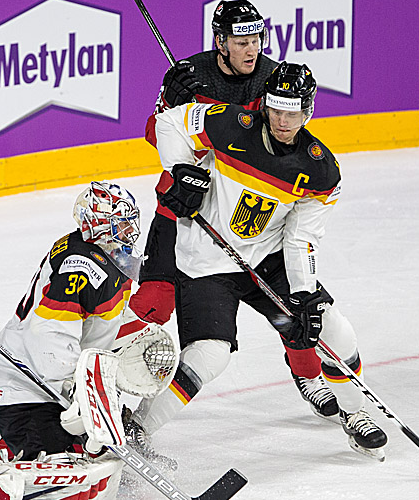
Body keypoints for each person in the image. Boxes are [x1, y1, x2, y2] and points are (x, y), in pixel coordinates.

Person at [125, 62, 389, 462]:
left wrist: (303, 293)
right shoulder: (230, 124)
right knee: (210, 354)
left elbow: (301, 237)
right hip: (205, 260)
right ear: (265, 105)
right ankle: (137, 427)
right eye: (277, 110)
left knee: (333, 327)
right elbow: (172, 123)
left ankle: (355, 412)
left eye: (294, 113)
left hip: (267, 259)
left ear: (309, 111)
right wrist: (182, 171)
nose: (284, 121)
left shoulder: (319, 169)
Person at [135, 0, 340, 423]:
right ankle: (113, 375)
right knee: (154, 301)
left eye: (256, 39)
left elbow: (276, 143)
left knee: (292, 305)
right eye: (241, 40)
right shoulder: (190, 74)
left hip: (248, 215)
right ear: (220, 41)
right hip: (182, 211)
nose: (252, 49)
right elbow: (158, 135)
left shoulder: (272, 77)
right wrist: (168, 110)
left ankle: (309, 375)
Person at [0, 181, 144, 500]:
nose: (128, 231)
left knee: (92, 446)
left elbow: (96, 327)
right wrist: (76, 393)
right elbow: (50, 336)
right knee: (63, 462)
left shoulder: (103, 254)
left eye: (129, 221)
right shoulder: (82, 267)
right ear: (96, 225)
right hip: (26, 386)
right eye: (119, 223)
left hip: (42, 380)